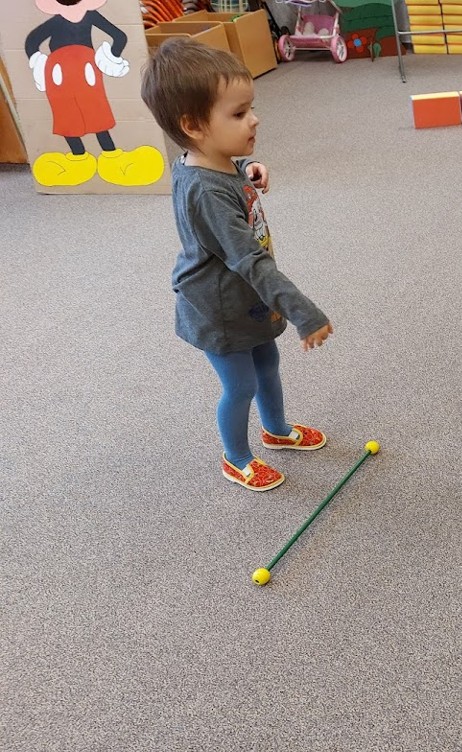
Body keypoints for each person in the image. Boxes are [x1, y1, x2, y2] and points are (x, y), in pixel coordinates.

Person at [141, 40, 334, 491]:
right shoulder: (206, 192)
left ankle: (276, 430)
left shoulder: (211, 161)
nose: (255, 119)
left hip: (247, 301)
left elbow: (218, 169)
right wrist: (304, 313)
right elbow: (251, 260)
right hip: (219, 309)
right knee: (241, 385)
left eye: (251, 108)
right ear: (192, 125)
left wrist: (248, 165)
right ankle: (236, 458)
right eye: (239, 113)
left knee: (268, 364)